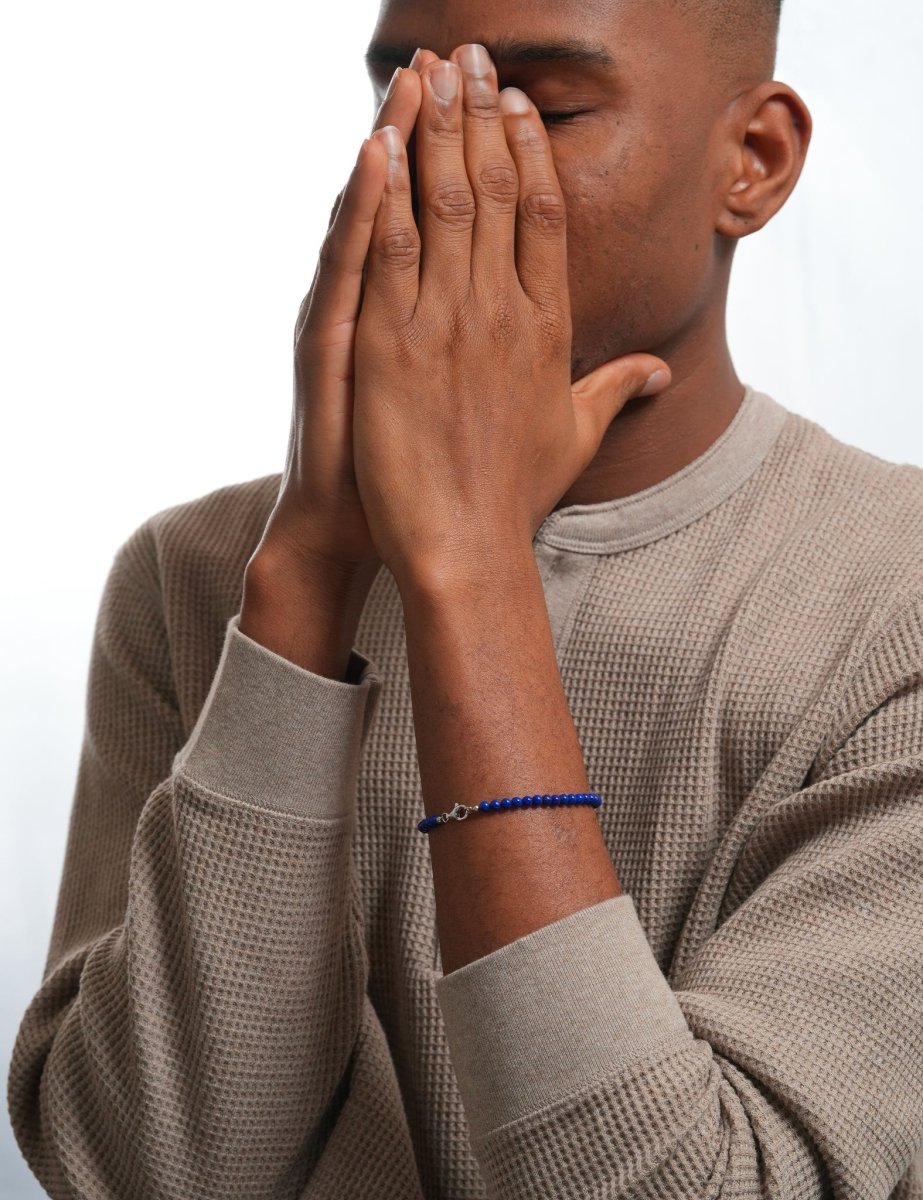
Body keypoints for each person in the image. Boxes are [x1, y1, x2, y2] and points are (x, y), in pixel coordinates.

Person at [8, 2, 923, 1197]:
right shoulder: (200, 578)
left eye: (539, 111)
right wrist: (308, 577)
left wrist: (468, 559)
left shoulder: (893, 605)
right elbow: (151, 1173)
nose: (444, 165)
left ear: (750, 164)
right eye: (401, 101)